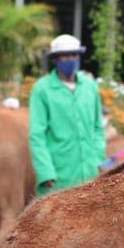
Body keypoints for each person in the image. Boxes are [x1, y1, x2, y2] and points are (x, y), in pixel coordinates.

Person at [28, 34, 105, 195]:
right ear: (55, 59)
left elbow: (98, 128)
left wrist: (97, 158)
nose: (70, 59)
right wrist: (45, 172)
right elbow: (37, 136)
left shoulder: (90, 87)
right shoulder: (42, 89)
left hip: (89, 173)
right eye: (65, 56)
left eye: (74, 55)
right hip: (58, 176)